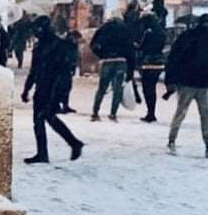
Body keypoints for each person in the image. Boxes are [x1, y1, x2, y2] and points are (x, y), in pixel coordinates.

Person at [21, 16, 84, 164]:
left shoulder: (59, 46)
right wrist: (27, 89)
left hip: (52, 88)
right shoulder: (40, 47)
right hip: (41, 87)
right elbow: (34, 70)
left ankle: (70, 144)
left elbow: (63, 72)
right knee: (42, 119)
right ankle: (51, 150)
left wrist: (59, 94)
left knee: (46, 117)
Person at [165, 14, 208, 158]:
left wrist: (171, 79)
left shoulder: (186, 37)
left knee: (181, 112)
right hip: (203, 82)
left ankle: (172, 141)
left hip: (187, 81)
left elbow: (173, 58)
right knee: (205, 114)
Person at [89, 10, 136, 121]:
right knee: (117, 89)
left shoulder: (104, 28)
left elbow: (93, 44)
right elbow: (131, 51)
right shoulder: (126, 29)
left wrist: (101, 55)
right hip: (121, 61)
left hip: (107, 61)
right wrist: (130, 70)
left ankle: (95, 113)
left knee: (101, 89)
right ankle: (113, 114)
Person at [137, 13, 167, 123]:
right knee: (152, 88)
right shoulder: (162, 32)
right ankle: (151, 112)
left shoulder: (148, 33)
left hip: (148, 62)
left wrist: (137, 46)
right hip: (159, 62)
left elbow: (142, 47)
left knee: (147, 88)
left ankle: (150, 113)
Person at [54, 30, 82, 114]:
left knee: (67, 88)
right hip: (60, 69)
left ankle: (65, 105)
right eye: (76, 39)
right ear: (72, 37)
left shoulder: (73, 45)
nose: (77, 41)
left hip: (68, 69)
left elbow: (74, 57)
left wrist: (73, 68)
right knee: (59, 88)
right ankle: (56, 106)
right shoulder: (63, 43)